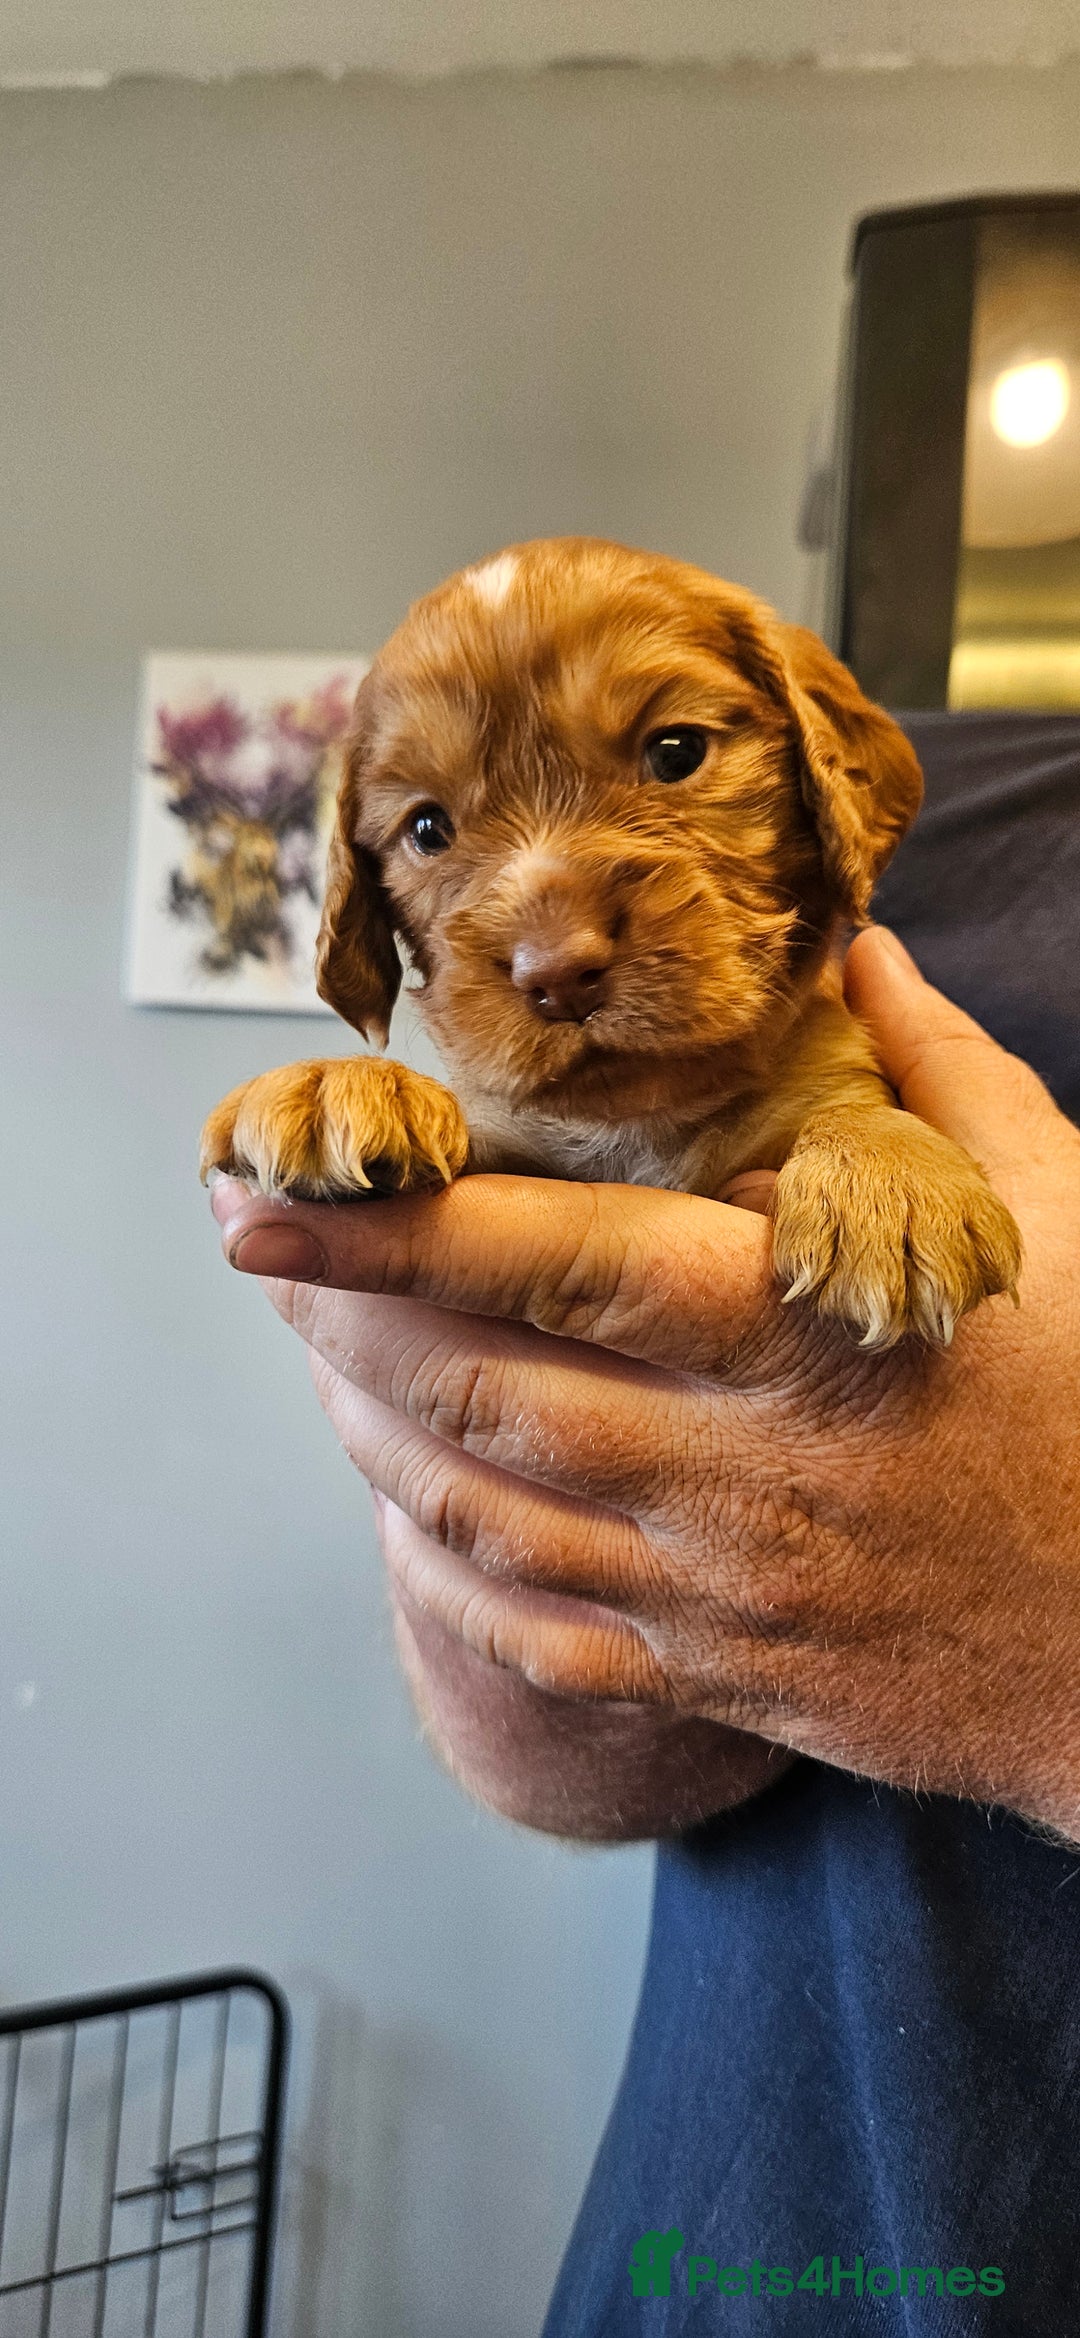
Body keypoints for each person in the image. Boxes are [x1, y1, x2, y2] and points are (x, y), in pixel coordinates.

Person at [211, 711, 1080, 2329]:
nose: (554, 928)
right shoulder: (936, 797)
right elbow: (546, 1746)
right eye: (433, 830)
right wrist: (457, 1425)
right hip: (751, 2230)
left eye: (671, 754)